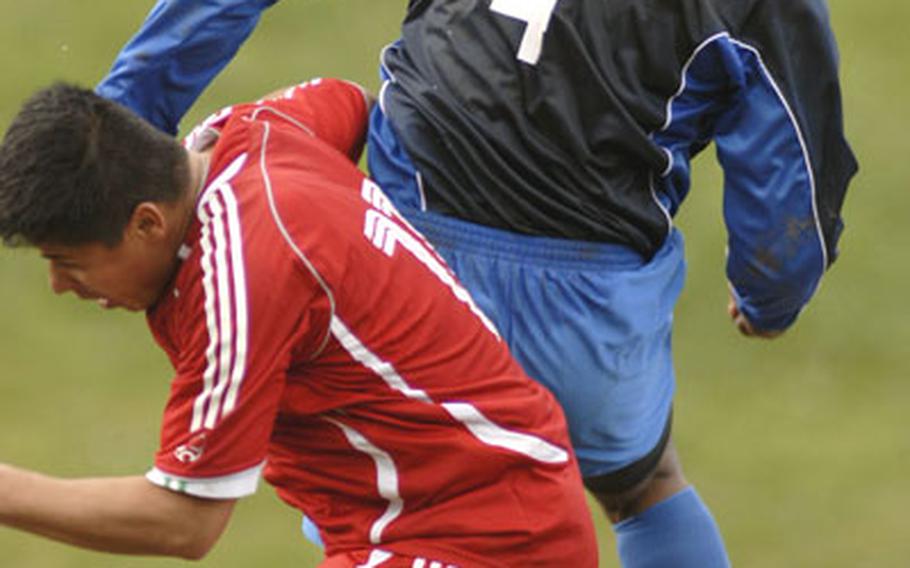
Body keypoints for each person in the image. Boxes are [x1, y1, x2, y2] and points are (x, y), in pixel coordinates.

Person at [95, 1, 859, 566]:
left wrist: (115, 125)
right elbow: (789, 141)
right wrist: (771, 293)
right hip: (586, 291)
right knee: (643, 486)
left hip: (406, 249)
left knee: (369, 500)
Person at [0, 78, 599, 567]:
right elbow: (347, 100)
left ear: (148, 224)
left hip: (481, 539)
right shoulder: (246, 130)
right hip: (470, 509)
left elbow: (184, 520)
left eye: (68, 263)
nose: (58, 286)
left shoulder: (241, 273)